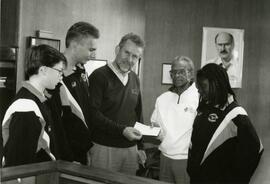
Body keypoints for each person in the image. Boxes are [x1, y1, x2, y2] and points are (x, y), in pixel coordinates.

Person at [187, 63, 264, 184]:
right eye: (198, 87)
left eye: (203, 86)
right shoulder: (203, 108)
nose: (199, 90)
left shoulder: (236, 114)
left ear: (216, 84)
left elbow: (255, 150)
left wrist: (233, 179)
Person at [88, 33, 145, 175]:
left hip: (131, 150)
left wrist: (141, 146)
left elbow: (138, 114)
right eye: (127, 53)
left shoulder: (135, 79)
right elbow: (92, 114)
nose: (130, 59)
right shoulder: (99, 76)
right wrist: (122, 130)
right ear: (117, 50)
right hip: (104, 147)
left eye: (135, 56)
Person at [2, 45, 66, 167]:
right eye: (59, 71)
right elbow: (19, 163)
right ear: (43, 70)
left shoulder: (38, 99)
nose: (61, 77)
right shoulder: (26, 107)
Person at [46, 21, 100, 165]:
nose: (94, 54)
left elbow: (84, 112)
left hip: (82, 149)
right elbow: (55, 124)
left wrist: (86, 147)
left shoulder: (81, 70)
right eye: (91, 49)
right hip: (65, 156)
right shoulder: (54, 75)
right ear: (75, 45)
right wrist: (67, 157)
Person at [151, 56, 199, 184]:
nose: (177, 75)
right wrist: (154, 129)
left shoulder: (199, 97)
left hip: (186, 159)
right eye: (174, 72)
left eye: (182, 71)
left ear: (190, 73)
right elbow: (154, 123)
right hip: (165, 157)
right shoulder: (162, 98)